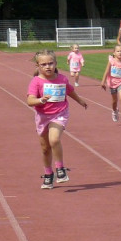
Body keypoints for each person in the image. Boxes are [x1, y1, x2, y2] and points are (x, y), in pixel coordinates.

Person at [26, 50, 88, 189]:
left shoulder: (62, 79)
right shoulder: (36, 82)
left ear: (55, 63)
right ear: (38, 65)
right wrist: (41, 100)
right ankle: (48, 174)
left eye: (50, 63)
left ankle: (60, 169)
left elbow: (70, 90)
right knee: (45, 148)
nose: (48, 67)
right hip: (42, 116)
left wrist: (80, 101)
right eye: (44, 64)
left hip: (60, 114)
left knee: (54, 139)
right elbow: (30, 100)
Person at [100, 45, 121, 124]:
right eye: (118, 51)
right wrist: (103, 82)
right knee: (114, 101)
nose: (120, 53)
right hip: (112, 83)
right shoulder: (112, 61)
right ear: (114, 53)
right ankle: (114, 111)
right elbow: (107, 71)